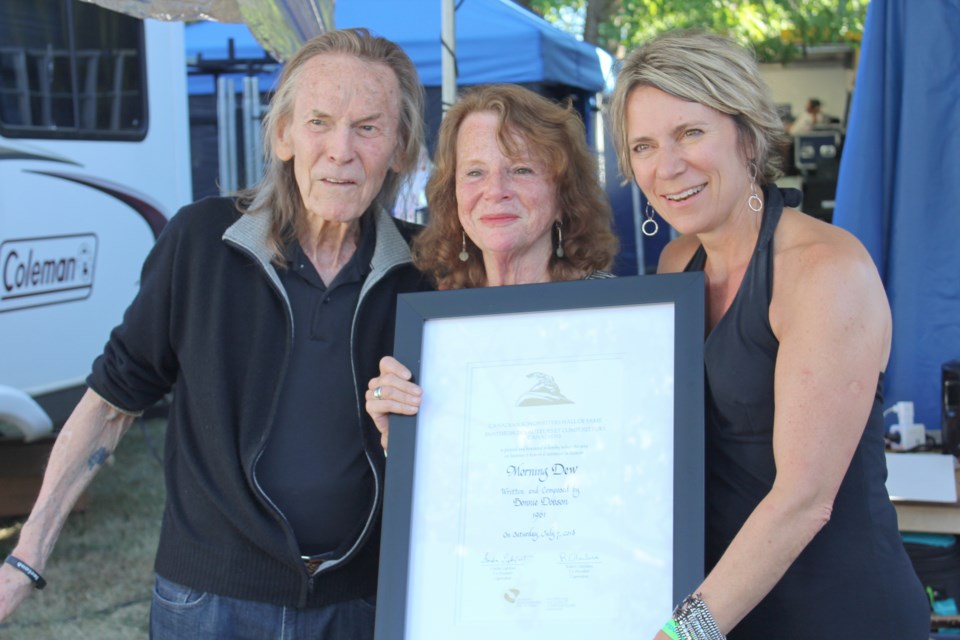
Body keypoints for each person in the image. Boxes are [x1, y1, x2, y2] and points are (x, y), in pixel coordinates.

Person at [0, 28, 428, 639]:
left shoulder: (425, 271)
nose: (341, 150)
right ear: (282, 135)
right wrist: (27, 555)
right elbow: (113, 403)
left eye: (367, 127)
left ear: (400, 147)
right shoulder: (202, 242)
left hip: (358, 603)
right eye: (318, 122)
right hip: (210, 601)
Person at [608, 30, 929, 640]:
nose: (666, 166)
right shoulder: (679, 263)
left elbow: (804, 499)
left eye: (690, 133)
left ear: (748, 135)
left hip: (838, 616)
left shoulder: (824, 269)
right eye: (644, 145)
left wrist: (682, 634)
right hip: (726, 612)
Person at [365, 84, 619, 448]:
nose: (495, 190)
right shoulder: (432, 333)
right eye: (474, 173)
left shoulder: (615, 317)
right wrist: (399, 440)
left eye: (521, 169)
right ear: (453, 196)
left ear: (563, 193)